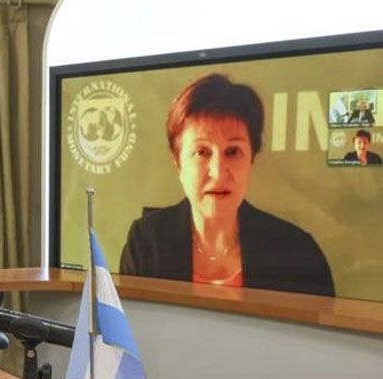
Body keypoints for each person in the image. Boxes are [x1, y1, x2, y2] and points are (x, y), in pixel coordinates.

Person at [120, 73, 334, 296]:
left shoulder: (298, 254)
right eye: (202, 152)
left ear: (251, 159)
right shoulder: (146, 243)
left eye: (233, 152)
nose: (218, 172)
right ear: (178, 162)